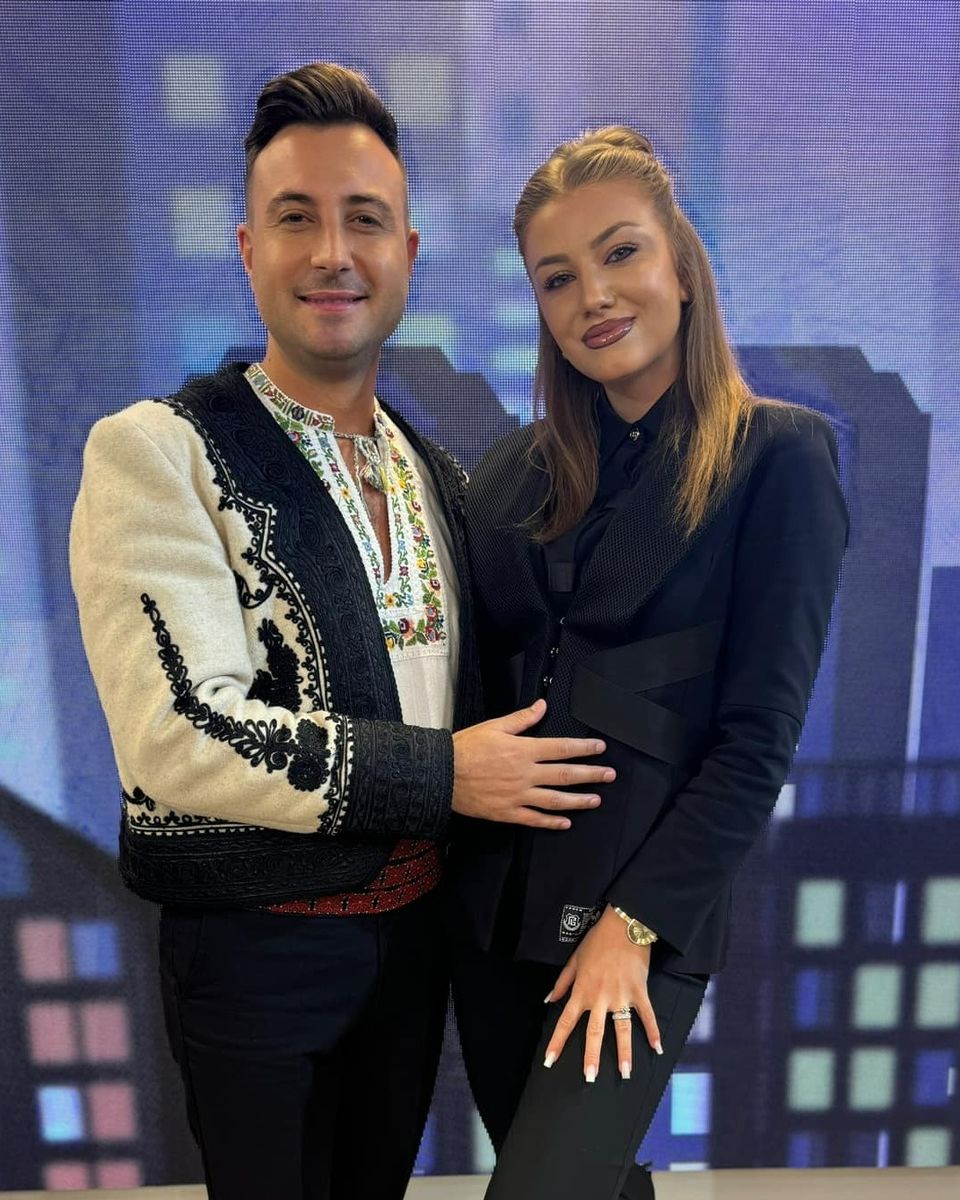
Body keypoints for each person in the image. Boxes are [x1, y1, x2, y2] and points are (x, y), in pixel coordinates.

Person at [69, 64, 612, 1200]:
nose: (332, 253)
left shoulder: (441, 475)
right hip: (255, 954)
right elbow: (178, 734)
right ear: (246, 249)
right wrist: (447, 774)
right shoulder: (159, 450)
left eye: (364, 221)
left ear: (408, 254)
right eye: (295, 218)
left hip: (415, 952)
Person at [450, 127, 849, 1200]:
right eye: (557, 277)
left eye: (620, 252)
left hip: (637, 918)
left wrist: (635, 927)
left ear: (680, 262)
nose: (593, 295)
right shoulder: (510, 474)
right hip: (488, 911)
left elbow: (757, 739)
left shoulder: (780, 457)